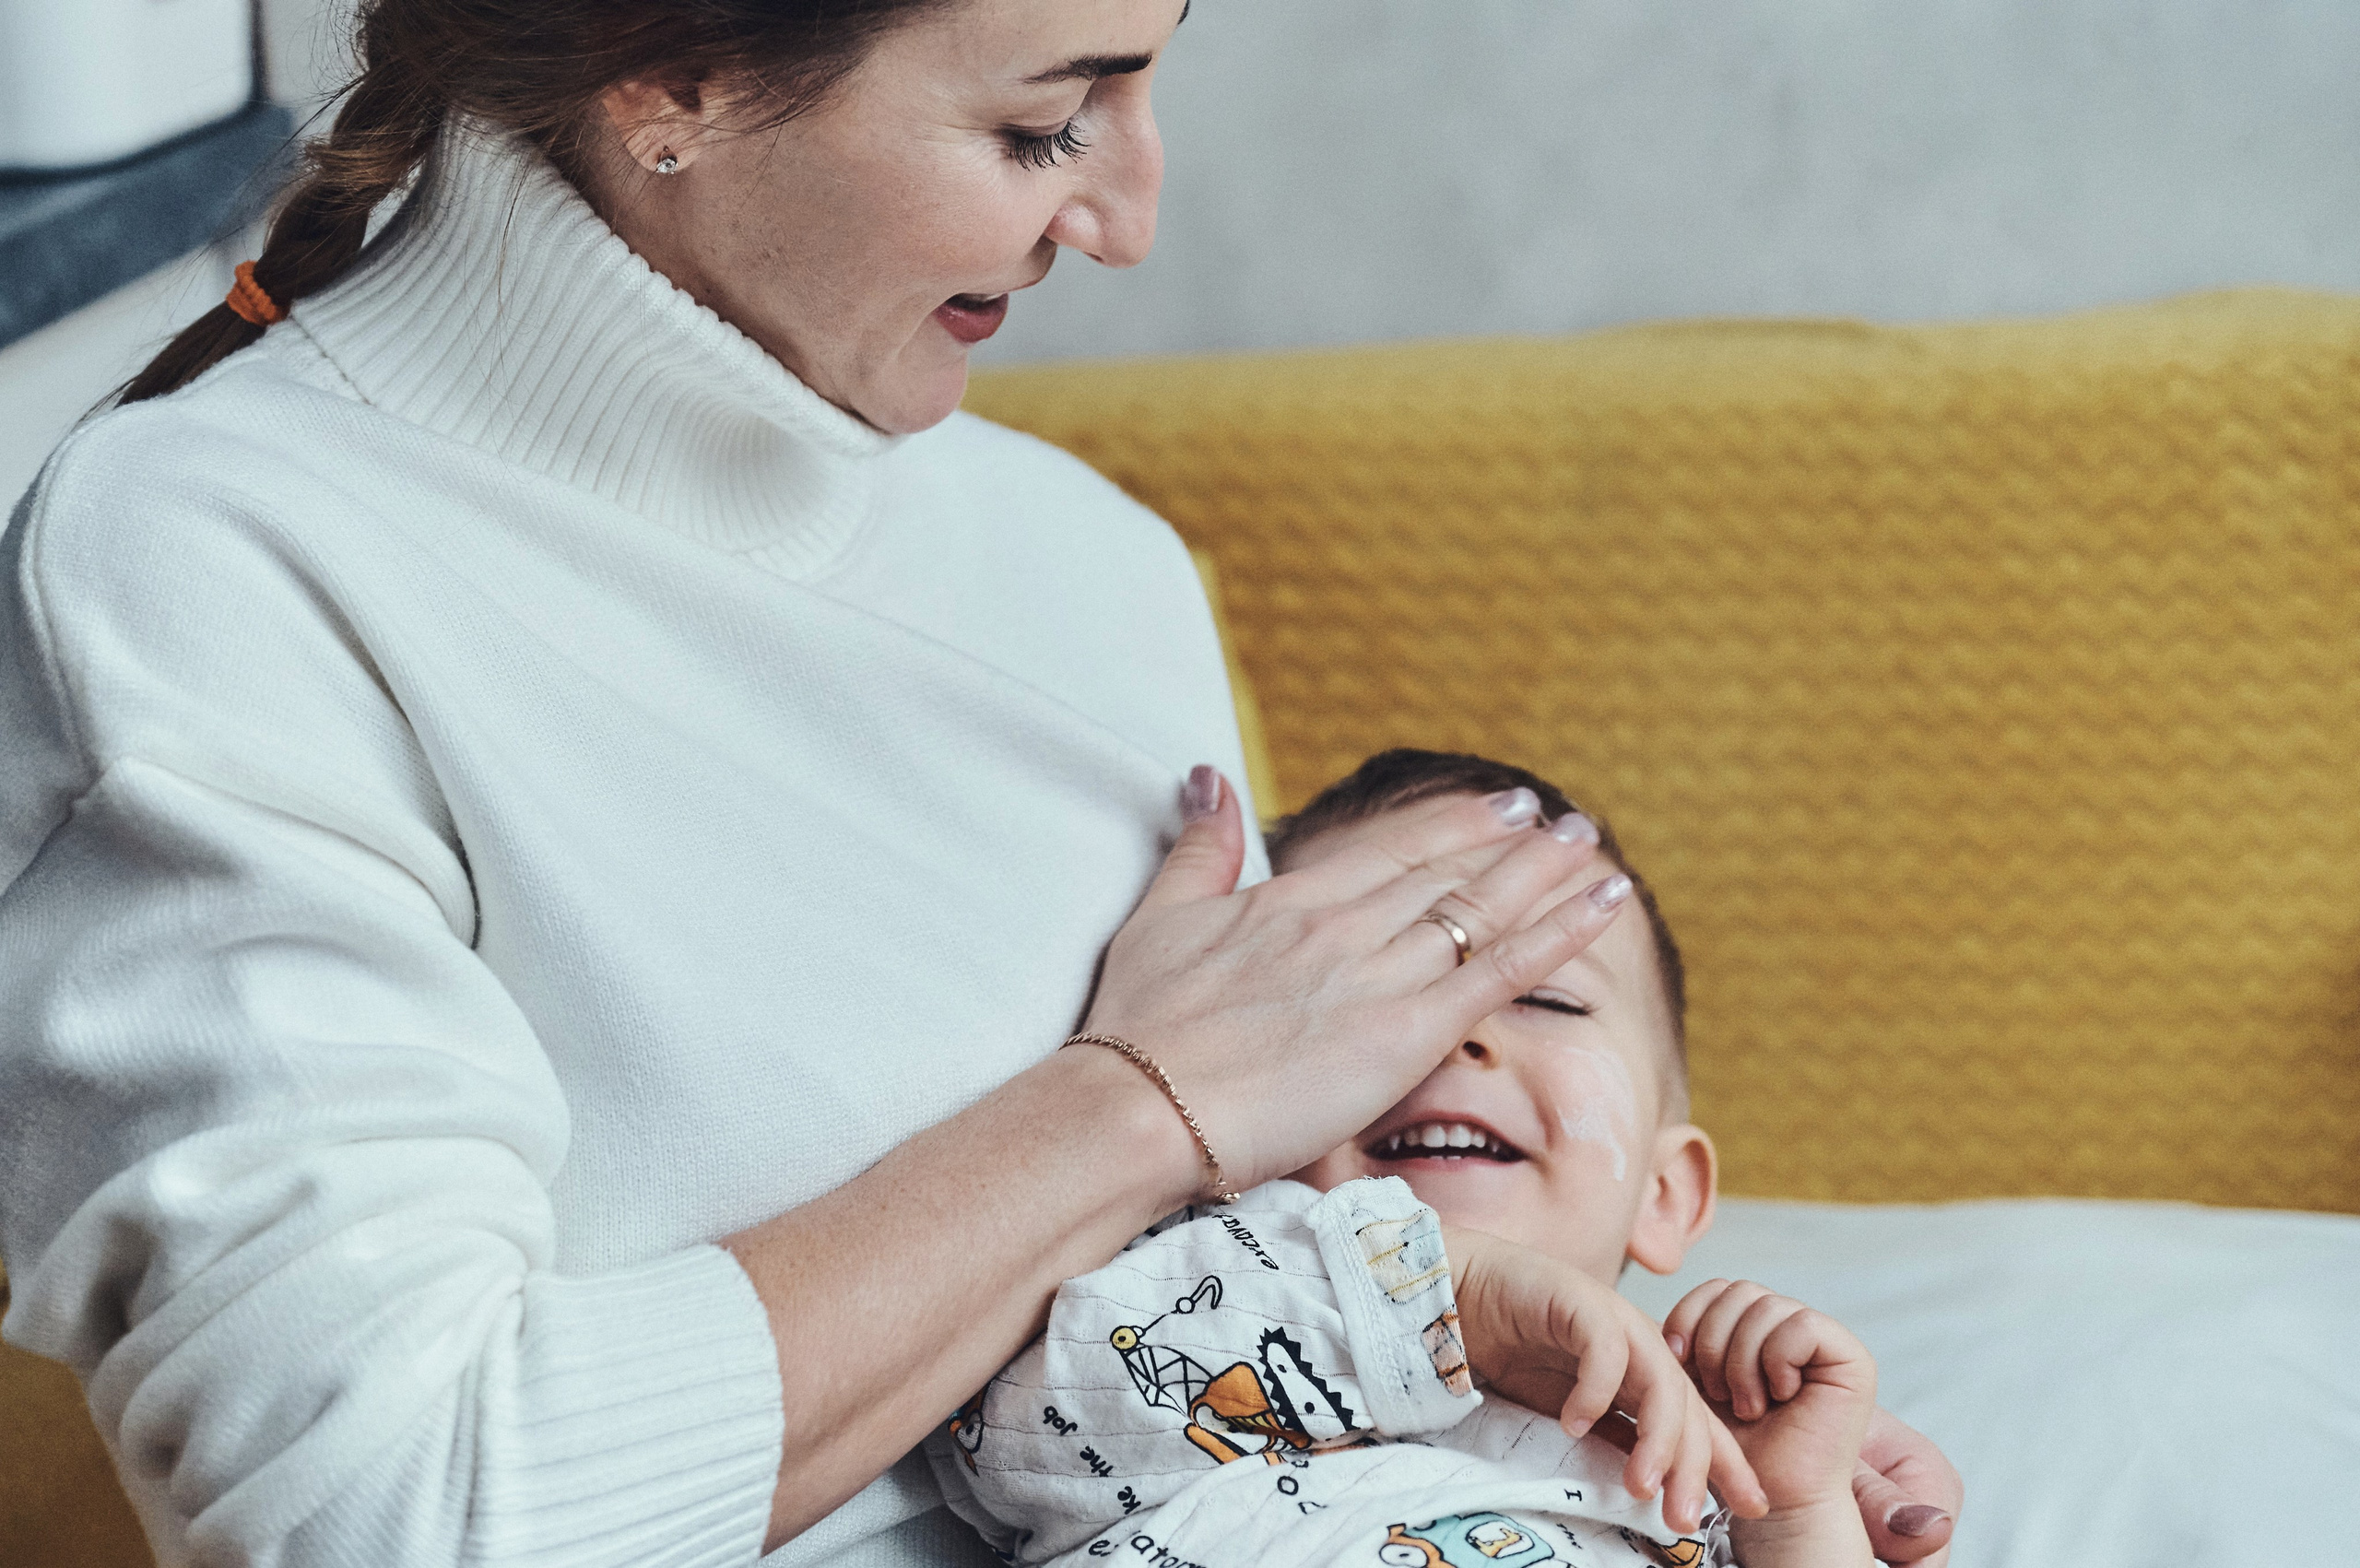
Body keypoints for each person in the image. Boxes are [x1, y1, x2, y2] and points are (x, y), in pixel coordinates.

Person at [0, 4, 1960, 1564]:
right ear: (667, 76)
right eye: (1043, 123)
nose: (1125, 216)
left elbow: (1281, 1313)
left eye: (1144, 84)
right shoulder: (206, 563)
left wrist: (1685, 1447)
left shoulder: (1092, 570)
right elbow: (389, 1511)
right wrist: (1135, 1102)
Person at [926, 751, 1920, 1568]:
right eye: (1378, 993)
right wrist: (1438, 1298)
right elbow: (1007, 1435)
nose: (1454, 1032)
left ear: (1665, 1194)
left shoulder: (1701, 1481)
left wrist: (1797, 1517)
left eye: (1549, 997)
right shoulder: (1179, 1297)